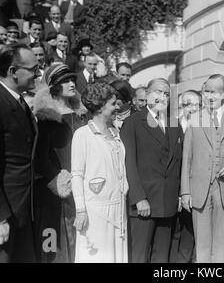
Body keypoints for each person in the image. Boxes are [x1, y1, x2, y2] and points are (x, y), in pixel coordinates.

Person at [181, 74, 224, 263]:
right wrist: (185, 191)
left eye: (215, 92)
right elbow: (187, 158)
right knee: (201, 246)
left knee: (222, 247)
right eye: (206, 91)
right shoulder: (194, 120)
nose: (209, 96)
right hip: (199, 189)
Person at [120, 78, 183, 263]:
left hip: (168, 202)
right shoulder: (133, 122)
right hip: (144, 203)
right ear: (147, 94)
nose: (162, 97)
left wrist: (178, 194)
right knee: (139, 256)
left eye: (166, 94)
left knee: (161, 257)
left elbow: (177, 162)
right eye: (158, 92)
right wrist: (139, 198)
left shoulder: (173, 123)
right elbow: (129, 163)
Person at [33, 63, 87, 263]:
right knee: (54, 244)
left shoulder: (82, 115)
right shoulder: (46, 118)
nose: (72, 83)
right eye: (66, 80)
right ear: (54, 86)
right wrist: (59, 180)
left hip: (81, 189)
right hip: (55, 193)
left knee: (78, 242)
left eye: (73, 79)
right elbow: (40, 157)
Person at [71, 82, 129, 263]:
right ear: (99, 106)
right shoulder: (83, 134)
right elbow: (77, 174)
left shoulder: (116, 132)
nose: (116, 107)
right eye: (112, 103)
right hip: (95, 210)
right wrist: (81, 210)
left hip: (118, 207)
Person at [0, 44, 40, 262]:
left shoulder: (19, 100)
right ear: (13, 72)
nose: (38, 73)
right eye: (33, 69)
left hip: (24, 210)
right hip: (6, 214)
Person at [170, 90, 202, 263]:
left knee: (190, 235)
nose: (191, 108)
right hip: (172, 188)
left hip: (194, 189)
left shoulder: (205, 126)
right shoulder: (172, 125)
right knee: (172, 235)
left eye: (195, 104)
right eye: (187, 104)